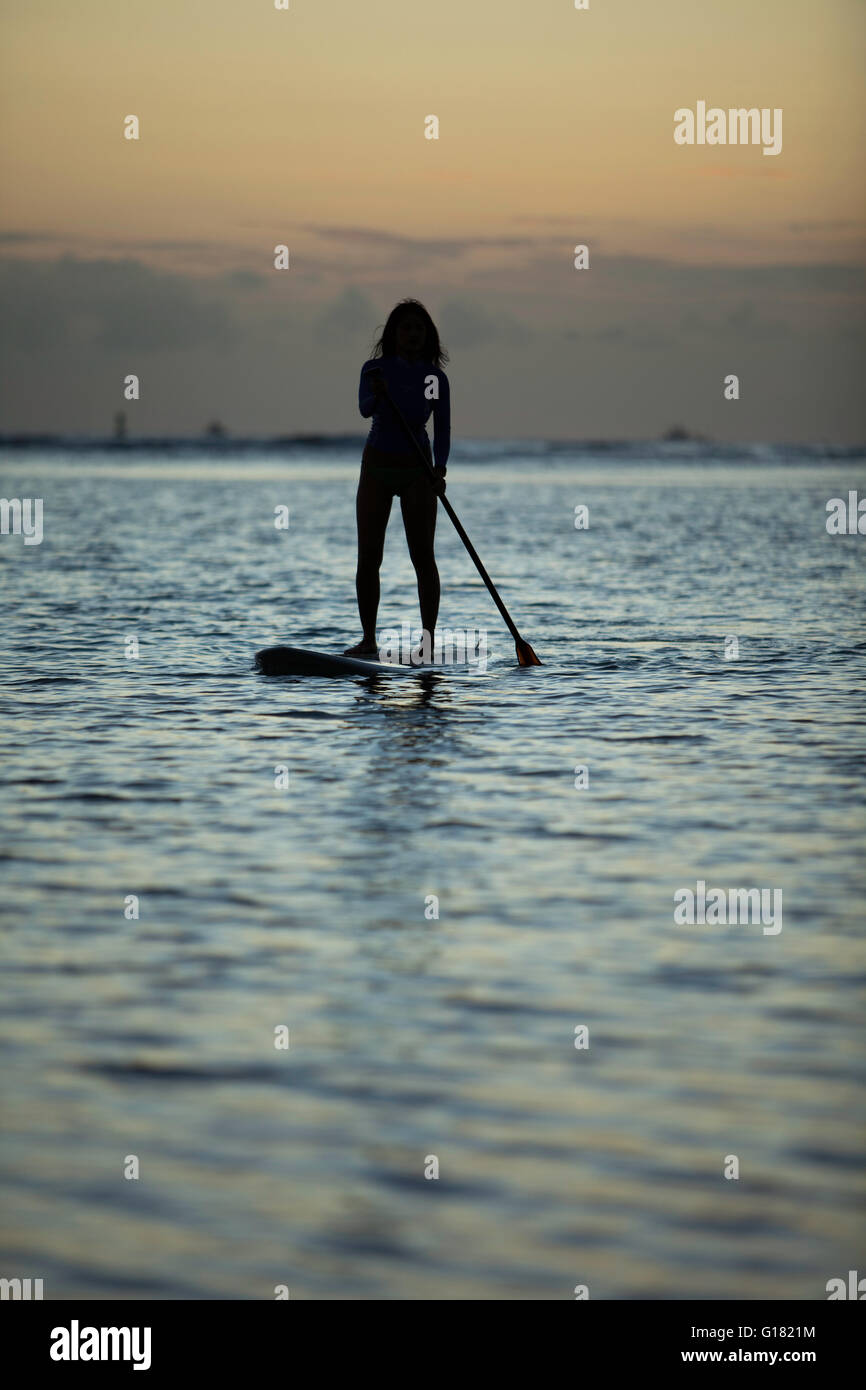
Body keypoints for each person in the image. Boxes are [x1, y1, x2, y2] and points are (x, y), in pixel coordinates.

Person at [344, 299, 450, 659]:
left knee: (423, 558)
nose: (412, 334)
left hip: (418, 471)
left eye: (418, 329)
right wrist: (377, 391)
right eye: (405, 328)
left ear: (428, 336)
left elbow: (443, 428)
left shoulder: (434, 379)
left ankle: (428, 643)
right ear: (393, 333)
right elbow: (364, 409)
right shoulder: (374, 370)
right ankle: (368, 640)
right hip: (377, 466)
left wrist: (441, 470)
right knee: (369, 557)